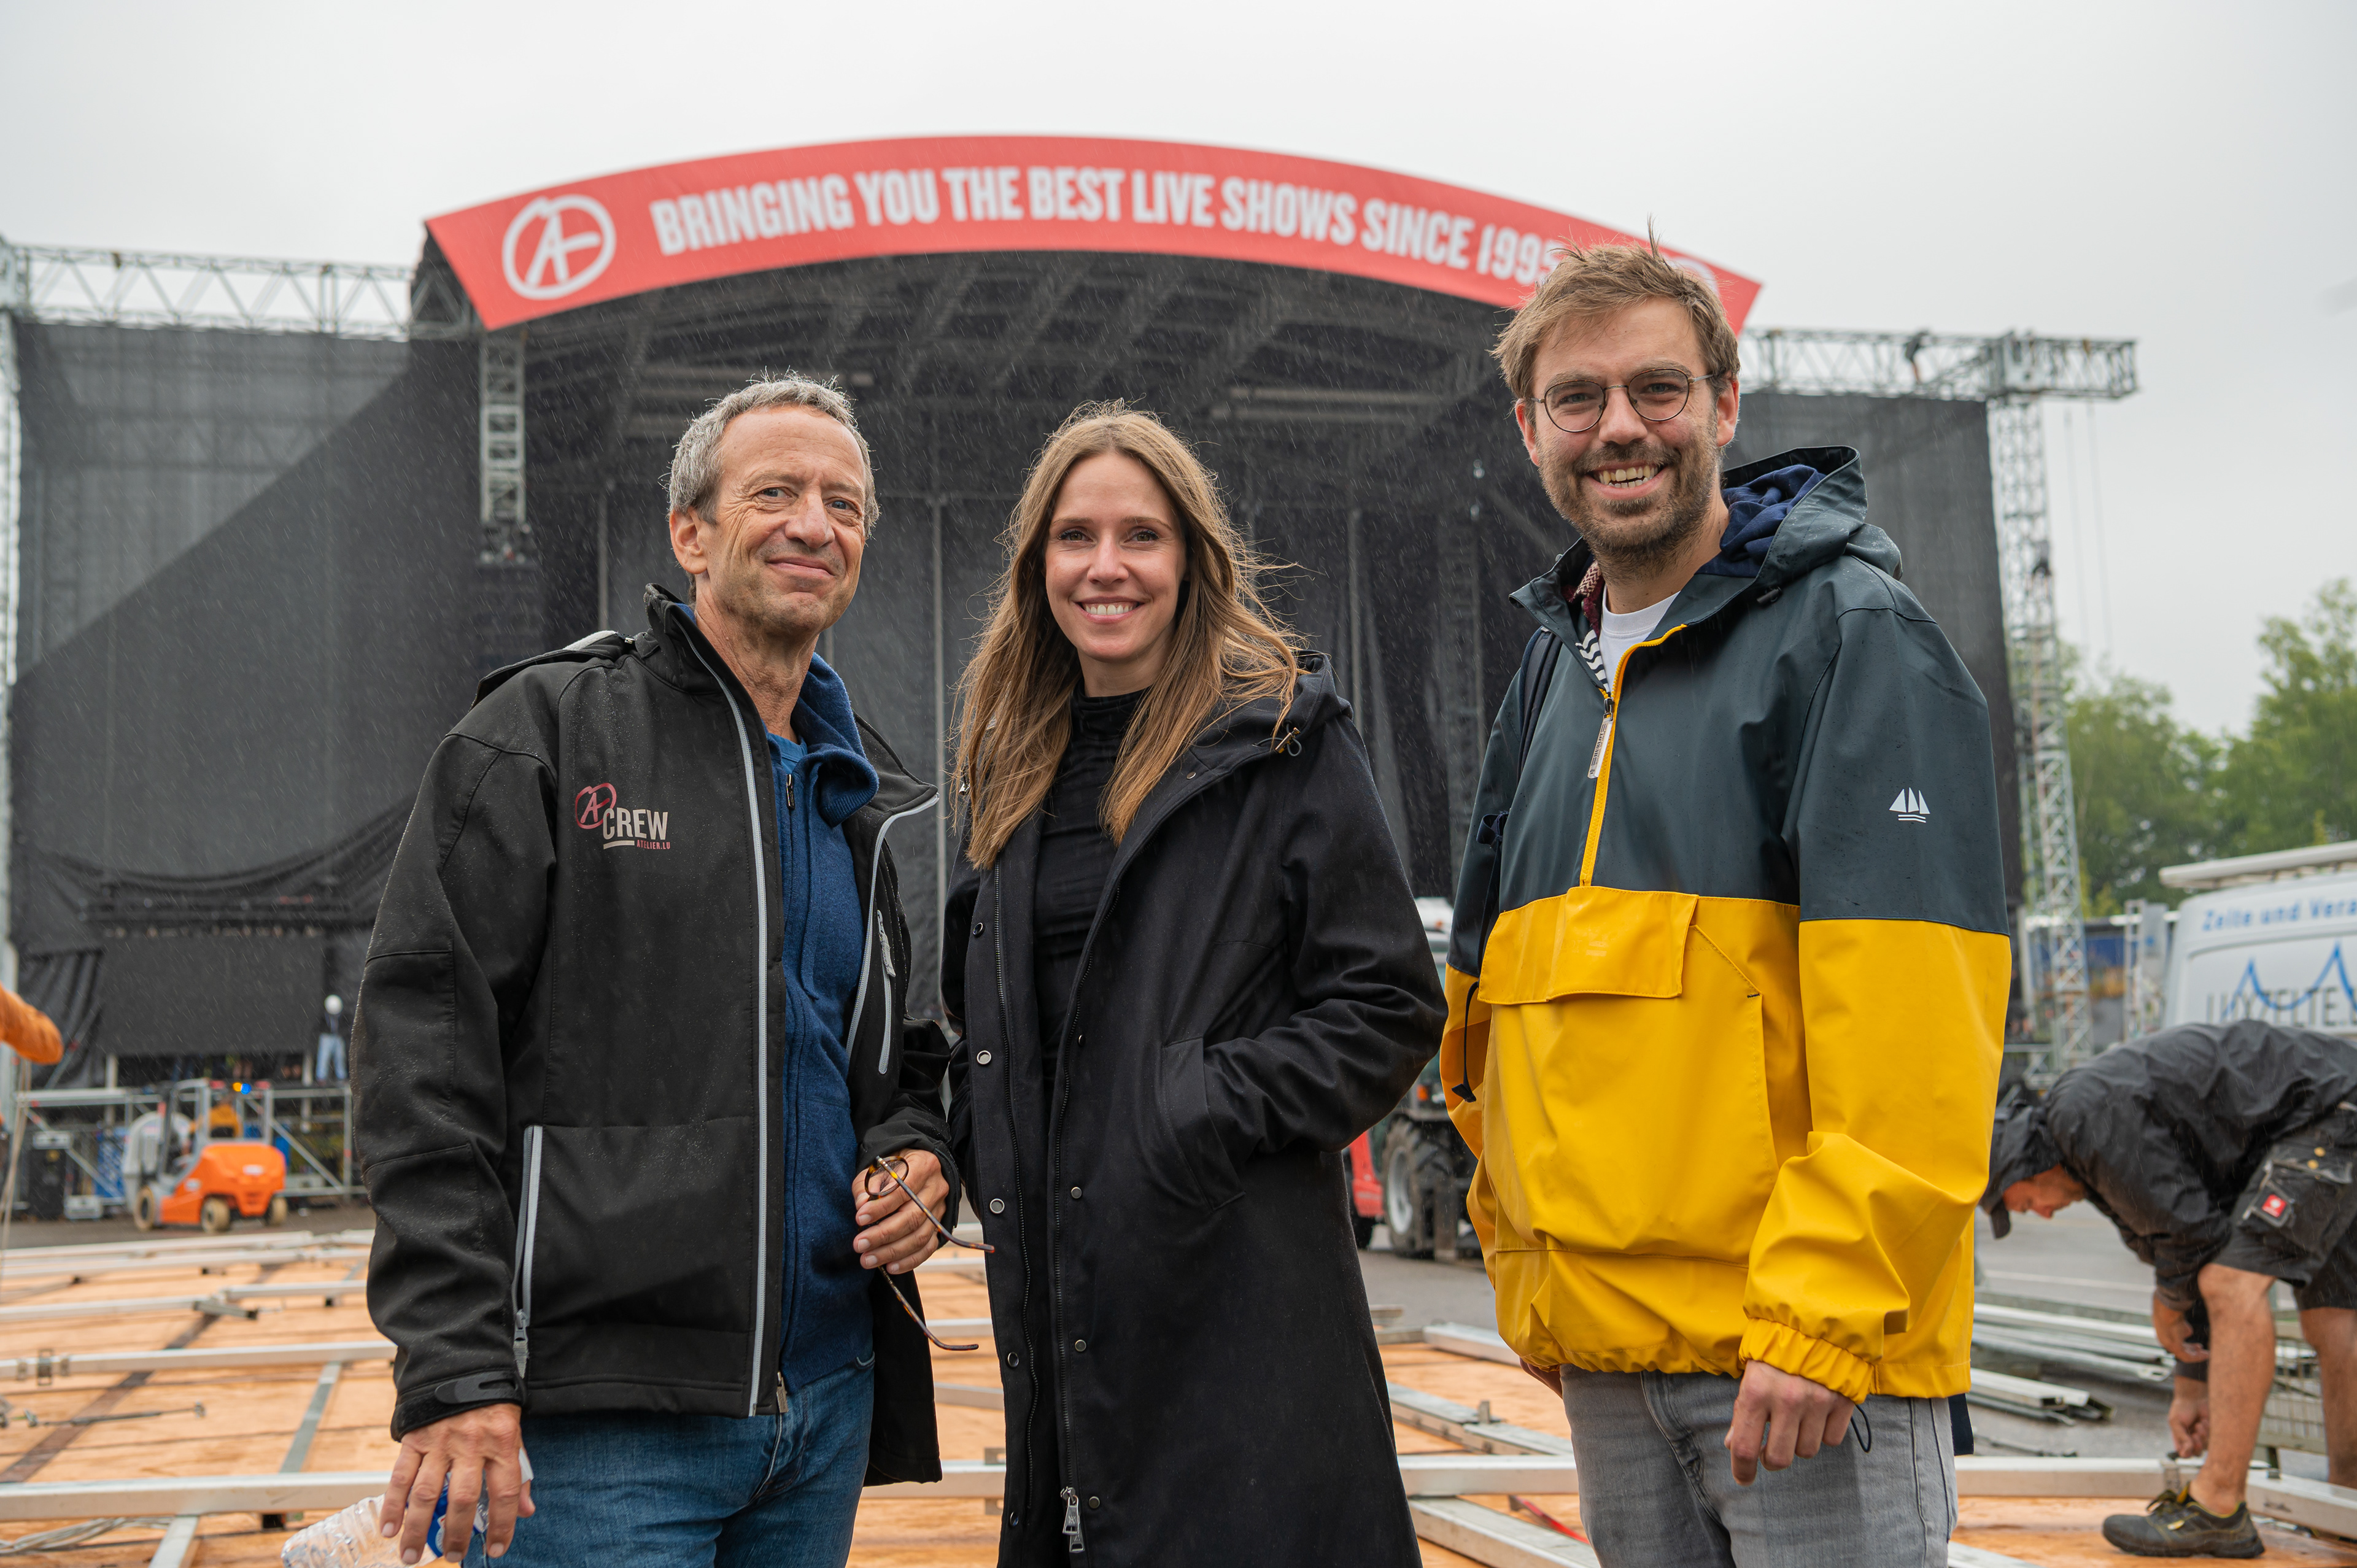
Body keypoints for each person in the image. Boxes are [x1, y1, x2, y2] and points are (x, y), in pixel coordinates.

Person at [1439, 241, 2011, 1566]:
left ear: (1726, 405)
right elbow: (1490, 1017)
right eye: (1578, 399)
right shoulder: (1554, 668)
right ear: (1530, 430)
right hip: (1611, 1363)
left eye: (1658, 388)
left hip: (1801, 1370)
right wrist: (1538, 1281)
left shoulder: (1850, 633)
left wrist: (1823, 1313)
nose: (1620, 427)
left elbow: (1916, 1030)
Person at [355, 377, 960, 1568]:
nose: (812, 523)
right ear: (690, 531)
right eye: (774, 491)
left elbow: (899, 1059)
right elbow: (424, 1052)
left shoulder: (865, 796)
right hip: (601, 1426)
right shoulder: (549, 729)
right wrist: (456, 1362)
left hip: (824, 1402)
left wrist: (924, 1152)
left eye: (844, 502)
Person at [943, 404, 1442, 1564]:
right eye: (1074, 537)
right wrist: (978, 1135)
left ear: (1192, 561)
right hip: (1063, 1299)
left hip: (1239, 1302)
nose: (1105, 566)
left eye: (1141, 536)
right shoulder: (1015, 765)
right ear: (1038, 566)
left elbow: (1388, 1002)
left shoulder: (1282, 744)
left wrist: (1192, 1110)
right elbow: (991, 1015)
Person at [1987, 1019, 2357, 1558]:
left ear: (2024, 1163)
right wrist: (2191, 1383)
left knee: (2233, 1284)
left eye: (2022, 1203)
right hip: (2333, 1105)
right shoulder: (2094, 1158)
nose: (2040, 1213)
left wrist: (2167, 1302)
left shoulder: (2083, 1117)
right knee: (2333, 1315)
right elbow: (2189, 1247)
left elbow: (2195, 1245)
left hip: (2328, 1111)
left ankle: (2219, 1506)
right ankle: (2345, 1506)